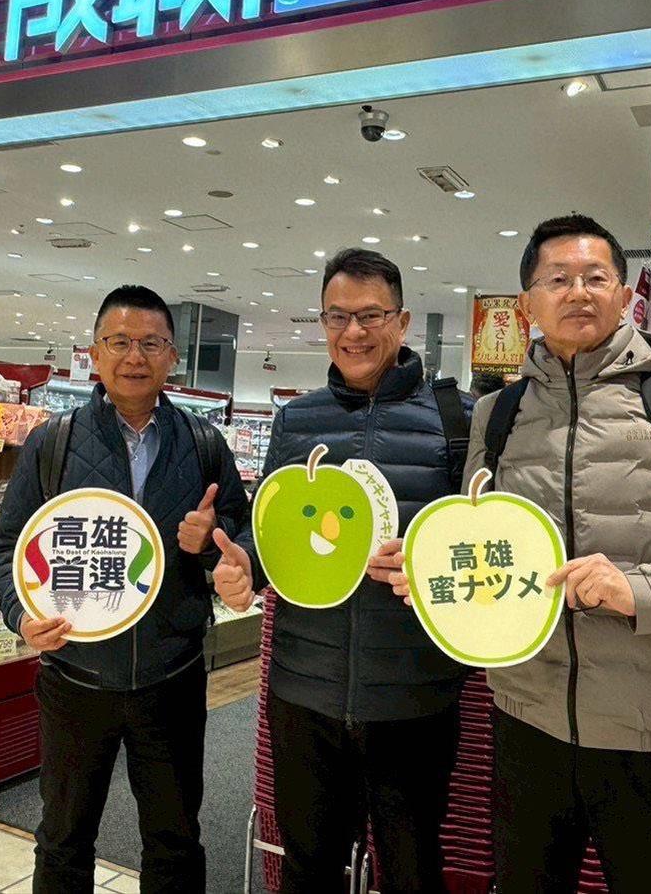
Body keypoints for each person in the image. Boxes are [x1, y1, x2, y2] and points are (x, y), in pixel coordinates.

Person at [393, 214, 651, 894]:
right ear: (526, 304)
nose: (577, 292)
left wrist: (639, 589)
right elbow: (480, 543)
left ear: (624, 295)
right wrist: (431, 574)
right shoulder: (498, 416)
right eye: (557, 279)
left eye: (595, 277)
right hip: (526, 718)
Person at [212, 248, 472, 894]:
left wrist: (428, 561)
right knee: (308, 868)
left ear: (402, 321)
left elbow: (475, 547)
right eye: (337, 316)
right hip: (304, 691)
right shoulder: (295, 420)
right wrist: (244, 564)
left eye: (370, 315)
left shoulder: (457, 419)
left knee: (413, 869)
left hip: (413, 695)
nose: (353, 331)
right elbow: (270, 536)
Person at [0, 284, 250, 894]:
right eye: (120, 342)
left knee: (175, 840)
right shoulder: (52, 442)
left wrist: (213, 544)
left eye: (152, 344)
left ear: (173, 356)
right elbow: (8, 545)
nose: (135, 356)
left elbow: (239, 534)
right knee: (63, 838)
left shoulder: (203, 444)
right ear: (94, 352)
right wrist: (20, 614)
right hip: (74, 677)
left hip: (172, 674)